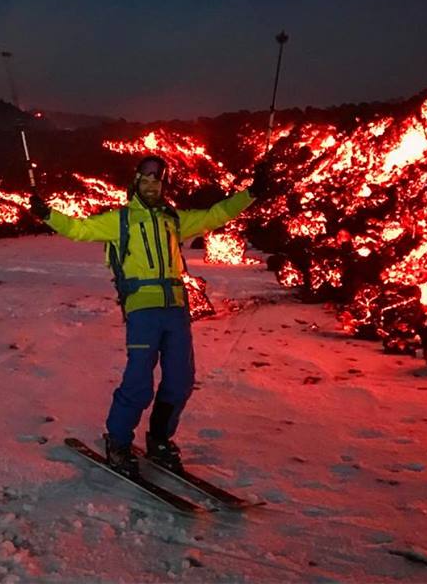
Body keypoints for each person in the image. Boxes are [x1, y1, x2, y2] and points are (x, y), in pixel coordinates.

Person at [29, 154, 272, 478]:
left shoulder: (173, 219)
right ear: (135, 181)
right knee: (139, 382)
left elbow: (216, 215)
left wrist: (251, 193)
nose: (152, 183)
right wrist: (47, 214)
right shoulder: (121, 220)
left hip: (176, 310)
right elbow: (78, 229)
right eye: (146, 178)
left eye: (157, 179)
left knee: (180, 380)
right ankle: (117, 441)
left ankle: (159, 439)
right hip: (143, 311)